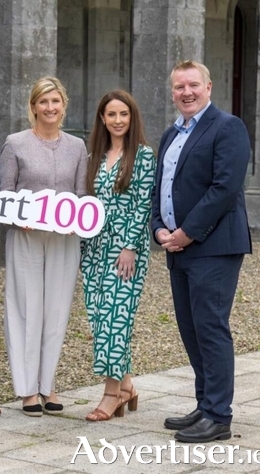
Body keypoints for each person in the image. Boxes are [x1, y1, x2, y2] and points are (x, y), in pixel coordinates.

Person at [152, 60, 251, 443]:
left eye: (193, 85)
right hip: (177, 246)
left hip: (213, 246)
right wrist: (159, 227)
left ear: (208, 87)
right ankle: (204, 404)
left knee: (210, 328)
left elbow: (224, 188)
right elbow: (162, 187)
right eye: (179, 87)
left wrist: (187, 233)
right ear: (173, 91)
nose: (187, 92)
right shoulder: (169, 134)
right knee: (190, 329)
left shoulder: (228, 127)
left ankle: (219, 416)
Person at [0, 77, 87, 417]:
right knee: (25, 309)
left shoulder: (77, 147)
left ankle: (48, 384)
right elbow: (4, 192)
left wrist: (78, 220)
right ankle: (27, 390)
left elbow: (80, 195)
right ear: (33, 106)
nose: (50, 108)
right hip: (26, 236)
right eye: (43, 102)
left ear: (63, 106)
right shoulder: (15, 143)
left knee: (56, 309)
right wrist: (17, 218)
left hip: (65, 239)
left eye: (56, 102)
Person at [80, 90, 156, 421]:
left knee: (116, 319)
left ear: (132, 116)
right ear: (102, 118)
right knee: (100, 318)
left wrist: (130, 248)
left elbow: (142, 205)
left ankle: (111, 395)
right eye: (111, 114)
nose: (118, 120)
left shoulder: (142, 156)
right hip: (94, 248)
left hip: (124, 250)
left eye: (123, 114)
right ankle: (127, 387)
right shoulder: (93, 155)